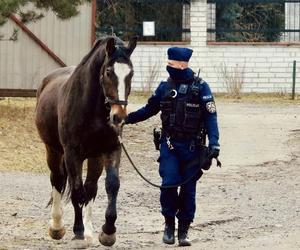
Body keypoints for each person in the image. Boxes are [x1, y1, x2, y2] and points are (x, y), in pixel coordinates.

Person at [125, 47, 220, 246]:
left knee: (188, 190)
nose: (168, 67)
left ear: (182, 64)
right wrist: (125, 119)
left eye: (171, 64)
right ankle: (169, 225)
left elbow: (211, 117)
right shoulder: (164, 87)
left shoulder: (201, 87)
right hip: (169, 145)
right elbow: (148, 110)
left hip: (193, 147)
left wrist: (214, 143)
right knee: (169, 182)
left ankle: (184, 231)